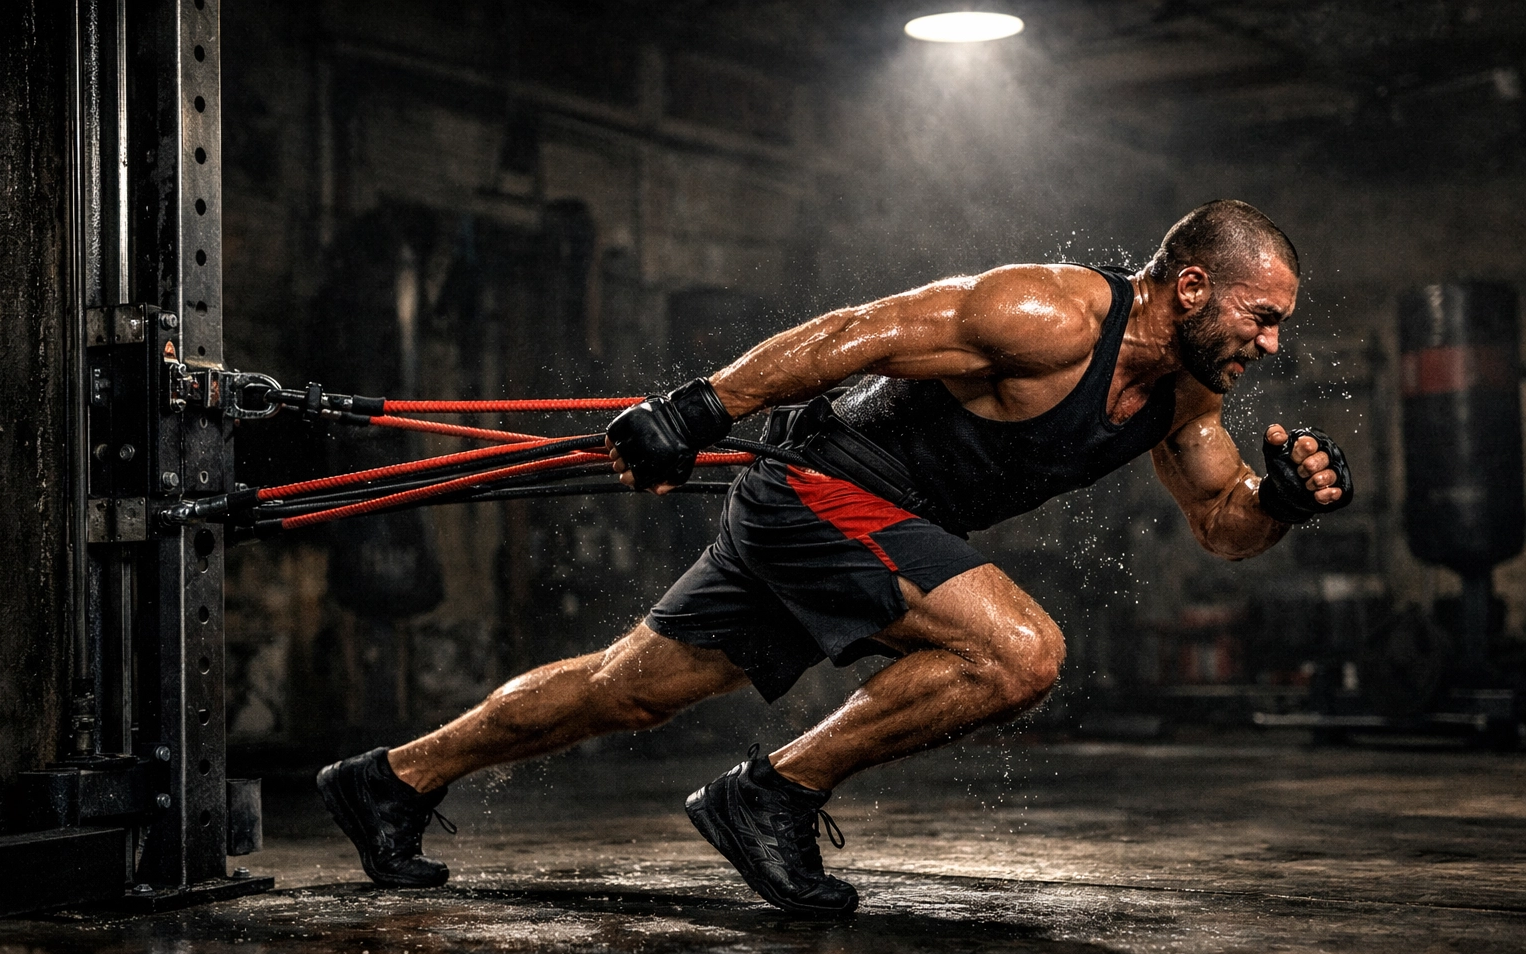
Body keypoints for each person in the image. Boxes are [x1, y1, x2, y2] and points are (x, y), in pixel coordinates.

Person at [317, 199, 1353, 917]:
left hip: (845, 513)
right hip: (822, 490)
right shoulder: (1046, 316)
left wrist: (1282, 504)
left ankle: (391, 780)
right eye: (1262, 319)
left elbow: (1222, 516)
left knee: (623, 690)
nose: (1268, 345)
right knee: (1023, 651)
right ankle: (770, 795)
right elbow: (861, 332)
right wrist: (702, 405)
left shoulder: (1187, 397)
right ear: (1192, 285)